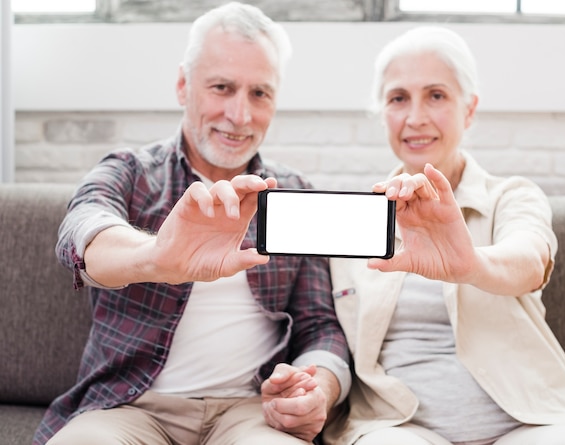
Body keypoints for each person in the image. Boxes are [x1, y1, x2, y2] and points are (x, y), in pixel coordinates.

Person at [33, 3, 350, 444]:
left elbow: (320, 325)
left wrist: (320, 388)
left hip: (250, 412)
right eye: (222, 87)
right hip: (128, 407)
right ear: (183, 85)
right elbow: (82, 229)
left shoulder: (293, 193)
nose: (240, 115)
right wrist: (156, 258)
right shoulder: (131, 171)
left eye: (260, 93)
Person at [322, 26, 565, 445]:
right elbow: (321, 329)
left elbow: (530, 260)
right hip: (400, 429)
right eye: (398, 98)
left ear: (470, 109)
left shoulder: (511, 196)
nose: (415, 117)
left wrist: (470, 264)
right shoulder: (353, 219)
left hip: (529, 424)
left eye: (436, 95)